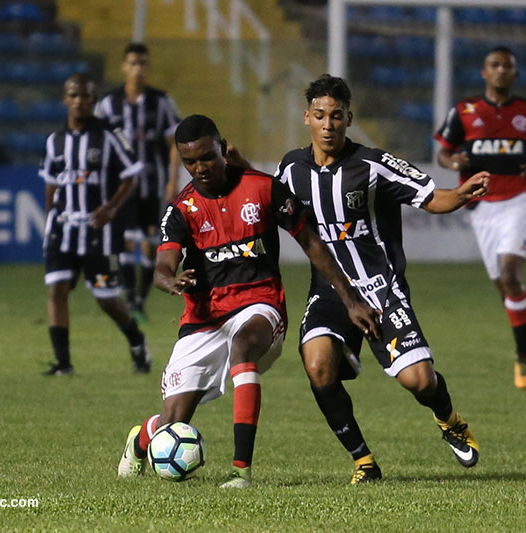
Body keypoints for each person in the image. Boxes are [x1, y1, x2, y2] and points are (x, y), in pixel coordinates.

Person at [117, 114, 380, 488]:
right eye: (190, 162)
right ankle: (141, 437)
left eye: (206, 157)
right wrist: (169, 281)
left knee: (243, 347)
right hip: (204, 319)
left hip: (261, 306)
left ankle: (241, 472)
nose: (200, 168)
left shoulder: (262, 188)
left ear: (222, 148)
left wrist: (350, 298)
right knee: (174, 421)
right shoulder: (181, 209)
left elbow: (311, 243)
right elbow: (162, 266)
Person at [273, 74, 490, 484]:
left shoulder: (372, 164)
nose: (328, 124)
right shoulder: (291, 168)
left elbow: (429, 196)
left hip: (379, 288)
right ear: (307, 118)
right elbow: (265, 197)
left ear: (348, 118)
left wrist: (460, 194)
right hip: (331, 291)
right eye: (320, 115)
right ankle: (364, 463)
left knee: (419, 380)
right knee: (317, 365)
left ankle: (449, 419)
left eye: (336, 116)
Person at [434, 46, 526, 390]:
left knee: (510, 273)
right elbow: (443, 151)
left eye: (507, 66)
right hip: (482, 206)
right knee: (504, 288)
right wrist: (452, 162)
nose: (501, 70)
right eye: (494, 65)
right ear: (484, 72)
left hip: (518, 199)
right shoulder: (464, 111)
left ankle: (521, 357)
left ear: (515, 74)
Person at [40, 73, 152, 376]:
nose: (80, 101)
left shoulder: (110, 135)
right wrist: (50, 217)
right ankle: (63, 363)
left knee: (107, 300)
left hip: (96, 233)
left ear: (94, 100)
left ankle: (137, 342)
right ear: (66, 99)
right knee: (57, 290)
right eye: (74, 95)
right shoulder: (55, 142)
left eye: (86, 96)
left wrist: (111, 208)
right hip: (62, 229)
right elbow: (51, 183)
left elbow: (131, 173)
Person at [95, 42, 181, 323]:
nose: (138, 69)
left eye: (142, 63)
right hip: (121, 188)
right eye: (133, 63)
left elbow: (173, 144)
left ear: (147, 67)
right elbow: (96, 143)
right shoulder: (108, 104)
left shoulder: (162, 102)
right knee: (127, 243)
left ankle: (138, 300)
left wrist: (172, 180)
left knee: (147, 244)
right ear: (124, 67)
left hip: (151, 184)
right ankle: (130, 295)